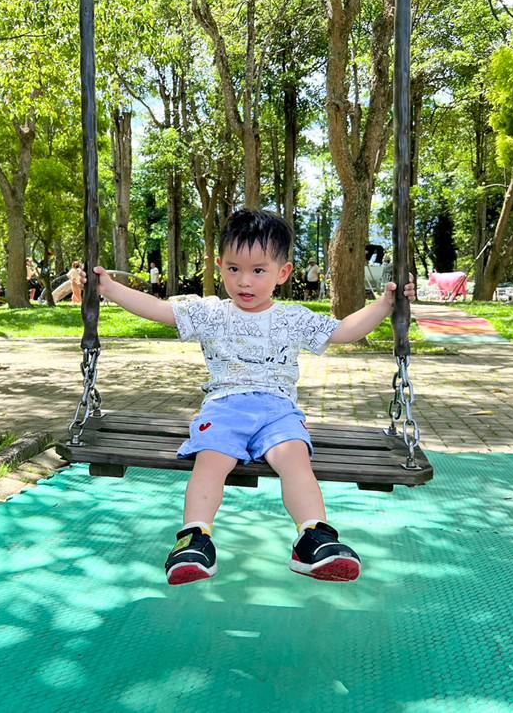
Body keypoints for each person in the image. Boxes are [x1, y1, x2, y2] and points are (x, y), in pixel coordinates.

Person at [89, 209, 416, 586]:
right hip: (224, 407)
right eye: (233, 269)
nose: (244, 281)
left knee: (295, 458)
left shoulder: (293, 318)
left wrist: (385, 305)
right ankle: (195, 538)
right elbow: (160, 310)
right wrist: (110, 288)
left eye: (258, 271)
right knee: (211, 459)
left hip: (278, 411)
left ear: (283, 273)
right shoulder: (210, 313)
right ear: (219, 266)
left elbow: (343, 331)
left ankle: (314, 536)